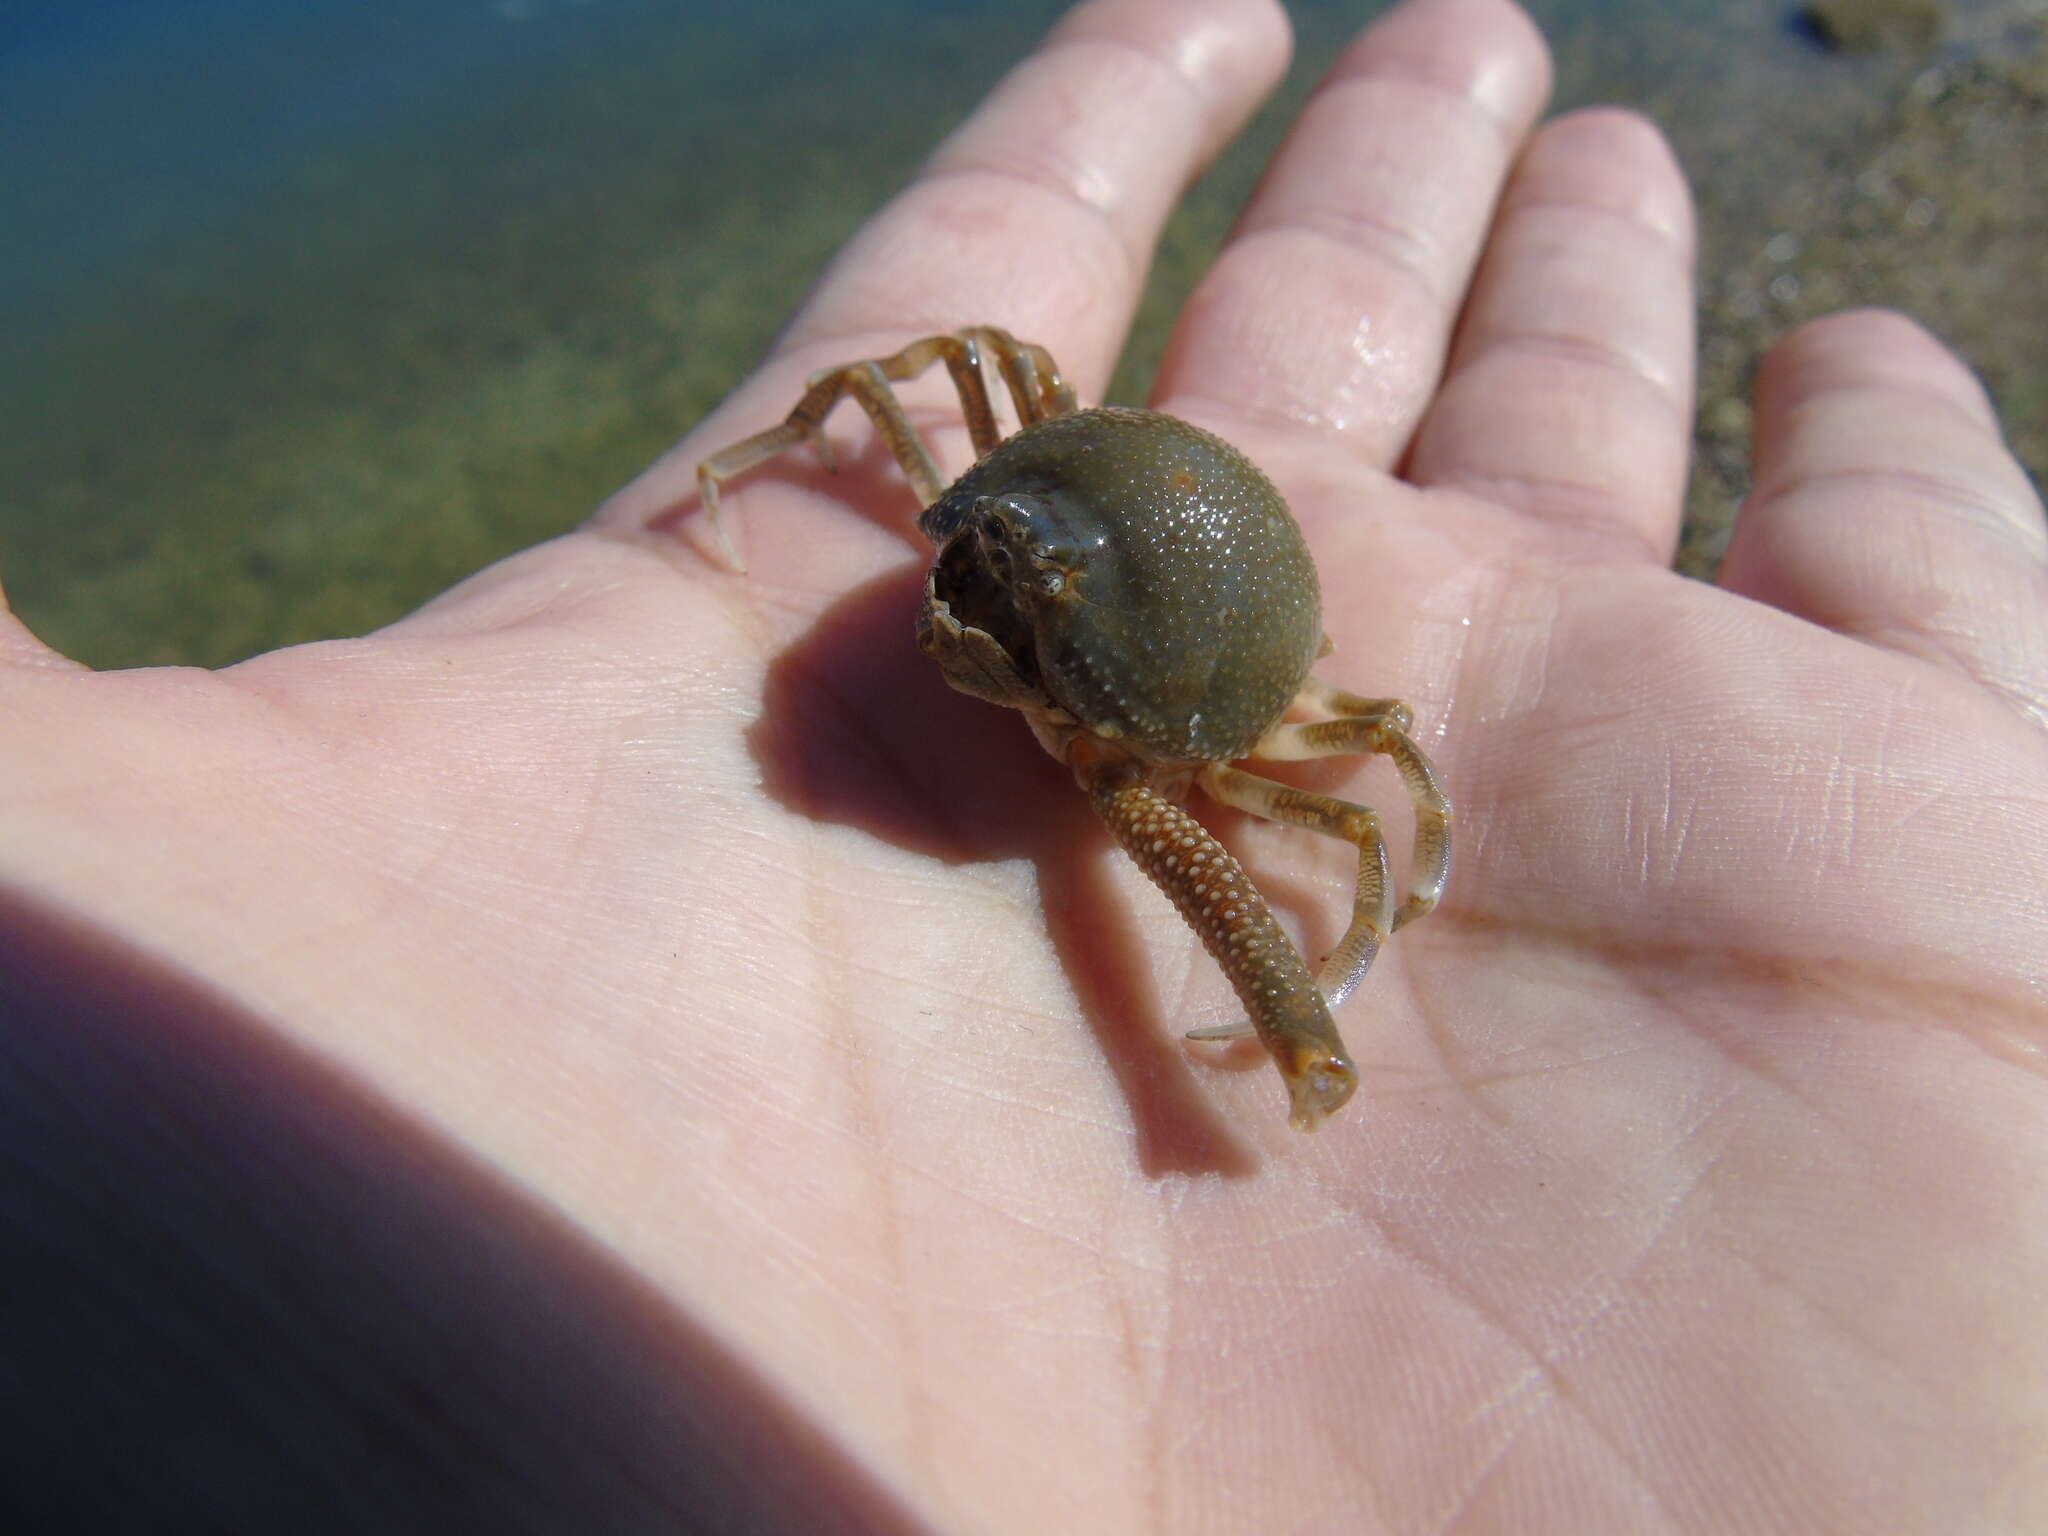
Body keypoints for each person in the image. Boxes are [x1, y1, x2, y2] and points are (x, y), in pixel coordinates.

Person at [4, 0, 2042, 1528]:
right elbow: (943, 378)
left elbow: (1334, 801)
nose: (963, 620)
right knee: (975, 390)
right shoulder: (997, 473)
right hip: (1072, 493)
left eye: (1004, 613)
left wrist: (1315, 994)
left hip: (1187, 647)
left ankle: (1298, 1058)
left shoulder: (1167, 772)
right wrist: (804, 455)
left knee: (1326, 794)